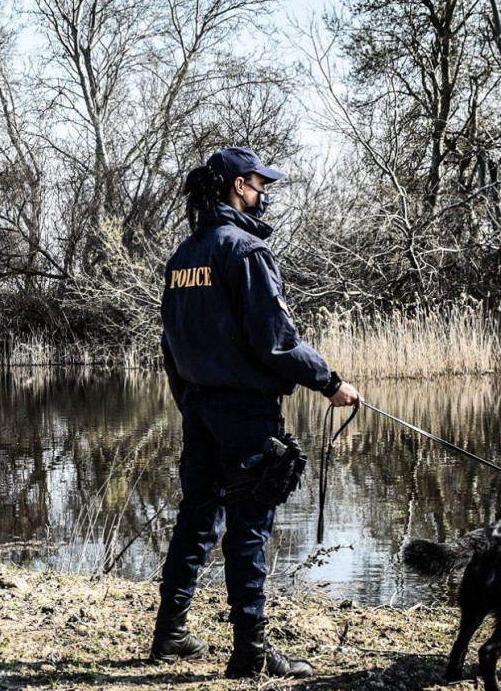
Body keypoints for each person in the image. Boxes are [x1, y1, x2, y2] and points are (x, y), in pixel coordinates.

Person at [150, 148, 360, 678]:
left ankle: (169, 634)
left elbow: (171, 346)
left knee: (197, 517)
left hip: (198, 407)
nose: (265, 191)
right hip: (244, 412)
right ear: (238, 186)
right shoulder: (245, 252)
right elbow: (276, 342)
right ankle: (251, 652)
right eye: (259, 183)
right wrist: (329, 382)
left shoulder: (182, 259)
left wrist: (190, 401)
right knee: (250, 525)